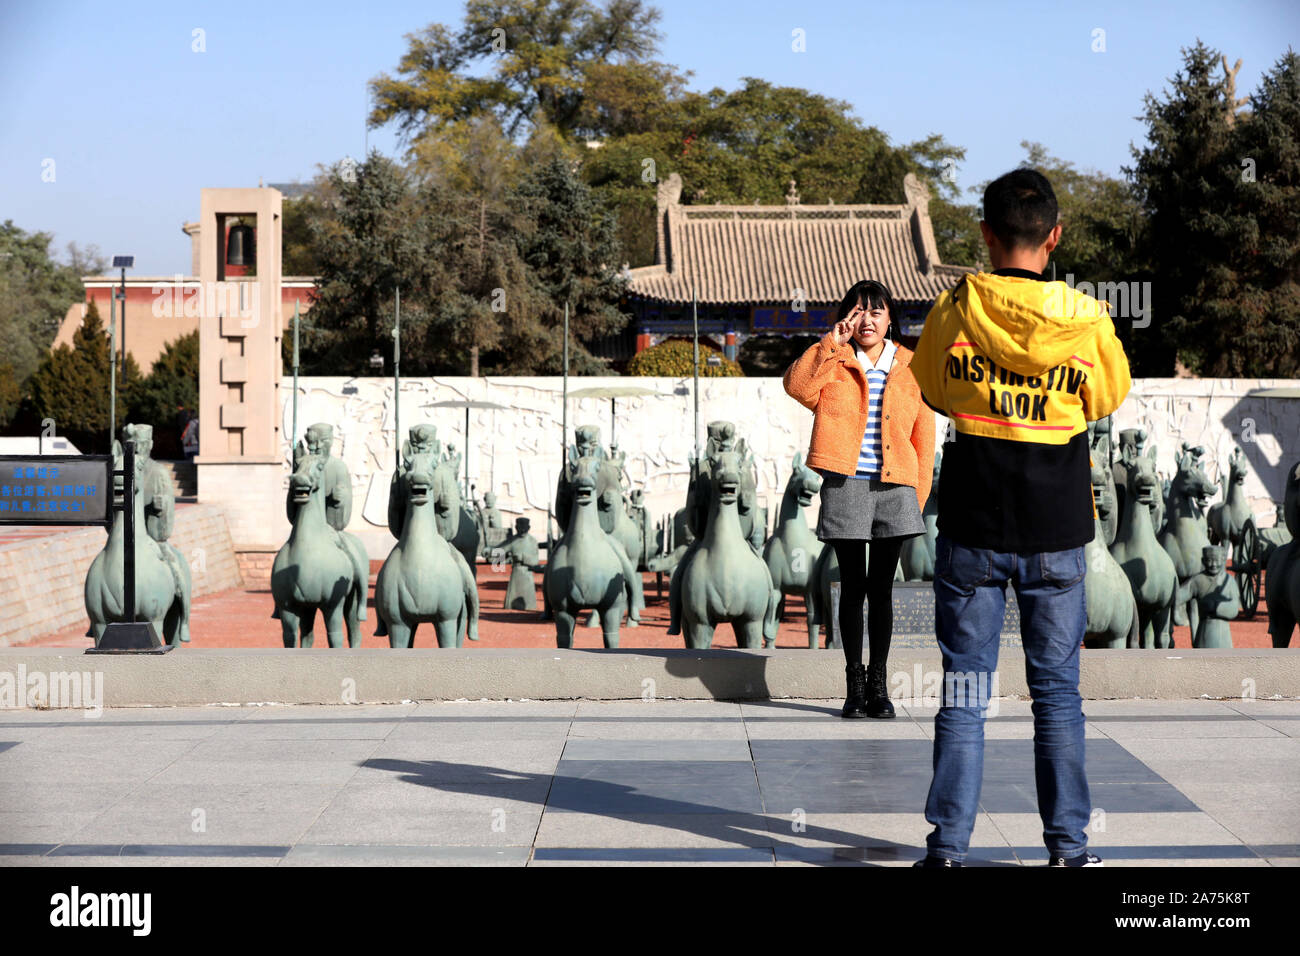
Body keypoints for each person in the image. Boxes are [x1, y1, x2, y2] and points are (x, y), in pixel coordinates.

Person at [909, 168, 1131, 867]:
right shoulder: (1089, 320)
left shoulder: (955, 308)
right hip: (1057, 531)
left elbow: (934, 387)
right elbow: (1107, 397)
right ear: (1055, 236)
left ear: (985, 235)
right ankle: (1068, 849)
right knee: (1058, 697)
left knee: (965, 692)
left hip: (973, 527)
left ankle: (946, 851)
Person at [783, 280, 935, 719]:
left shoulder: (912, 365)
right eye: (858, 311)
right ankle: (853, 685)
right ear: (847, 316)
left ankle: (880, 686)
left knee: (883, 590)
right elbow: (796, 386)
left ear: (891, 319)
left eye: (876, 311)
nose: (867, 320)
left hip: (896, 488)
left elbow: (925, 440)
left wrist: (916, 498)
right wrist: (833, 341)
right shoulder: (834, 360)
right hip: (846, 483)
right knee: (852, 588)